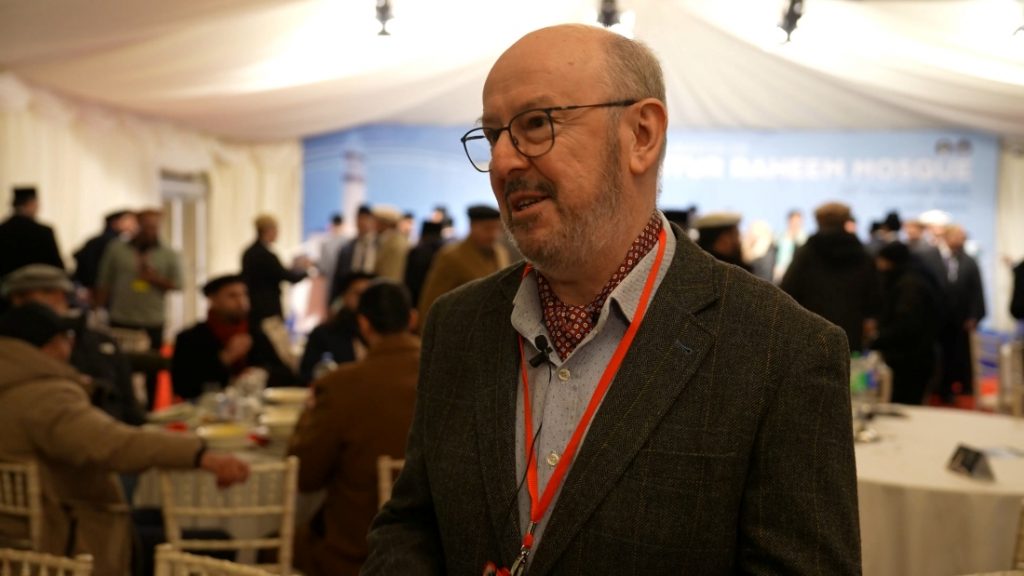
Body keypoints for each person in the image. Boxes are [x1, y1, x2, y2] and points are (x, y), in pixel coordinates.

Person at [364, 24, 860, 575]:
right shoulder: (458, 324)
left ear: (641, 135)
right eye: (493, 136)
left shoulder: (782, 351)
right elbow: (412, 525)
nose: (502, 163)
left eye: (535, 124)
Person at [0, 303, 250, 576]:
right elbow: (113, 445)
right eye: (66, 338)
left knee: (154, 515)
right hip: (66, 541)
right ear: (50, 346)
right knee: (218, 541)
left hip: (19, 536)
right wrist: (200, 455)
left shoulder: (13, 385)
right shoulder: (44, 396)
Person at [289, 281, 420, 576]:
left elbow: (305, 476)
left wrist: (307, 414)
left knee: (277, 542)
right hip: (436, 552)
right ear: (412, 319)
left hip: (356, 553)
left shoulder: (341, 386)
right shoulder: (449, 373)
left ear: (363, 324)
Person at [2, 264, 145, 426]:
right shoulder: (14, 347)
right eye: (48, 292)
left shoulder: (98, 340)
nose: (59, 299)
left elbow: (128, 407)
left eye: (63, 293)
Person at [95, 208, 181, 405]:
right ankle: (123, 407)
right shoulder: (116, 250)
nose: (150, 231)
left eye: (154, 227)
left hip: (152, 319)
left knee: (153, 369)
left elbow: (178, 284)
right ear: (137, 226)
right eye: (146, 226)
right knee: (119, 367)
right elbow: (104, 281)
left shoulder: (168, 254)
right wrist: (97, 310)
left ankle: (151, 409)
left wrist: (154, 278)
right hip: (122, 318)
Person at [172, 274, 298, 400]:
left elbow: (287, 375)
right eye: (232, 296)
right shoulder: (191, 338)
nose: (241, 301)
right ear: (213, 300)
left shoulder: (255, 332)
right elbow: (183, 386)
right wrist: (224, 359)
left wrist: (260, 374)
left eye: (244, 294)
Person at [782, 201, 880, 353]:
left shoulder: (806, 254)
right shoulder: (862, 254)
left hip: (813, 330)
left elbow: (788, 290)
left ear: (818, 221)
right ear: (845, 221)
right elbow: (874, 296)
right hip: (851, 331)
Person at [869, 242, 940, 404]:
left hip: (909, 361)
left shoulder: (908, 285)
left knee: (905, 406)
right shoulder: (913, 278)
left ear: (889, 261)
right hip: (915, 357)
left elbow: (906, 325)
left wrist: (877, 339)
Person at [417, 205, 510, 318]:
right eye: (487, 229)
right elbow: (431, 301)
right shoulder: (451, 256)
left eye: (497, 229)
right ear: (472, 226)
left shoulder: (501, 253)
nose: (493, 235)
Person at [298, 272, 375, 384]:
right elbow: (307, 376)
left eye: (370, 296)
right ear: (344, 295)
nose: (364, 301)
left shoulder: (381, 336)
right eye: (358, 294)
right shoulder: (323, 334)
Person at [937, 225, 986, 400]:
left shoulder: (969, 262)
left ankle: (964, 385)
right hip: (940, 318)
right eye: (958, 236)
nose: (961, 240)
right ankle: (942, 386)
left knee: (963, 354)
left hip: (962, 318)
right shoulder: (933, 257)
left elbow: (977, 291)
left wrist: (974, 315)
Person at [241, 214, 308, 325]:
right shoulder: (266, 255)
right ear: (268, 230)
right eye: (276, 229)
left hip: (253, 307)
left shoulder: (248, 252)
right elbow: (288, 276)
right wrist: (306, 270)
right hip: (268, 308)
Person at [0, 186, 64, 281]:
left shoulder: (2, 230)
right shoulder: (44, 232)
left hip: (7, 287)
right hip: (40, 286)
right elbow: (58, 268)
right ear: (31, 203)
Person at [73, 210, 137, 301]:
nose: (133, 224)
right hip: (96, 289)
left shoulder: (114, 241)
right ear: (115, 222)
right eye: (129, 220)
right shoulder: (112, 243)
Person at [330, 205, 377, 304]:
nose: (362, 223)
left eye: (366, 219)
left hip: (372, 296)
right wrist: (333, 302)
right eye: (360, 219)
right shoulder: (347, 247)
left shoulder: (379, 245)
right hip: (349, 296)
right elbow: (337, 277)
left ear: (372, 221)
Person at [403, 221, 446, 307]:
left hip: (417, 297)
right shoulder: (445, 251)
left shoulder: (417, 251)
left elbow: (409, 279)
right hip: (439, 298)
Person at [371, 206, 409, 283]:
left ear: (384, 223)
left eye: (375, 221)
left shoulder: (395, 243)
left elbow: (392, 275)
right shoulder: (389, 240)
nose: (372, 225)